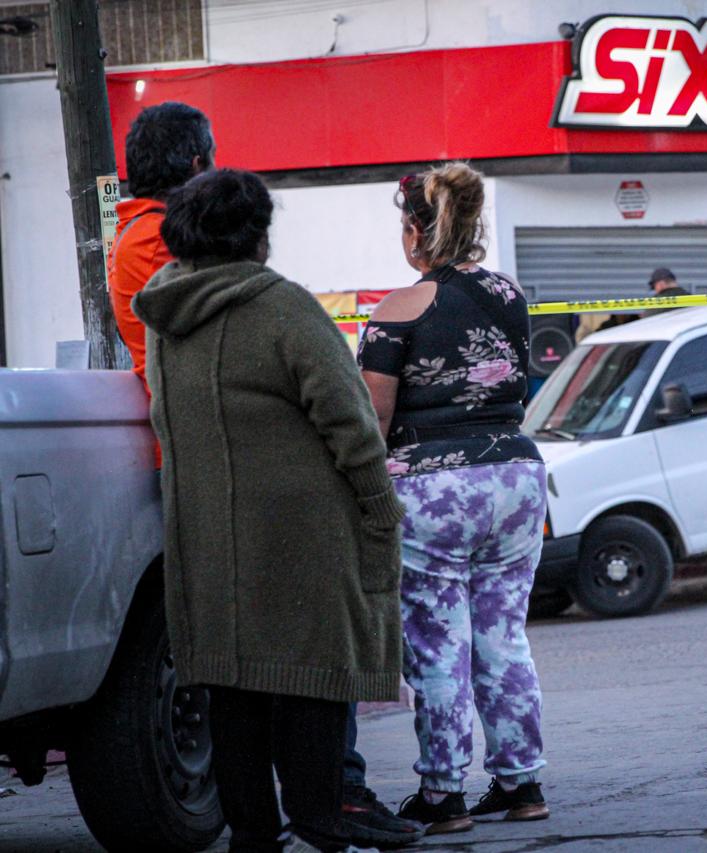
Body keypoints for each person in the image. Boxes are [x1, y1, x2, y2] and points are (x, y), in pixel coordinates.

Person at [133, 169, 413, 853]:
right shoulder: (283, 307)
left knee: (234, 691)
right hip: (302, 539)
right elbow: (351, 422)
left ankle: (254, 834)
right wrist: (381, 511)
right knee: (314, 680)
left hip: (209, 541)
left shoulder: (165, 319)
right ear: (257, 236)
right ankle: (321, 815)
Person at [355, 162, 550, 833]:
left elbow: (371, 423)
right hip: (517, 478)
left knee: (438, 644)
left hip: (433, 489)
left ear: (416, 230)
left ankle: (443, 793)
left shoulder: (395, 311)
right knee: (504, 635)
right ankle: (521, 781)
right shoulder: (511, 293)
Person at [109, 102, 214, 396]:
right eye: (212, 163)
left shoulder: (137, 229)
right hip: (188, 424)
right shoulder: (160, 239)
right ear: (197, 167)